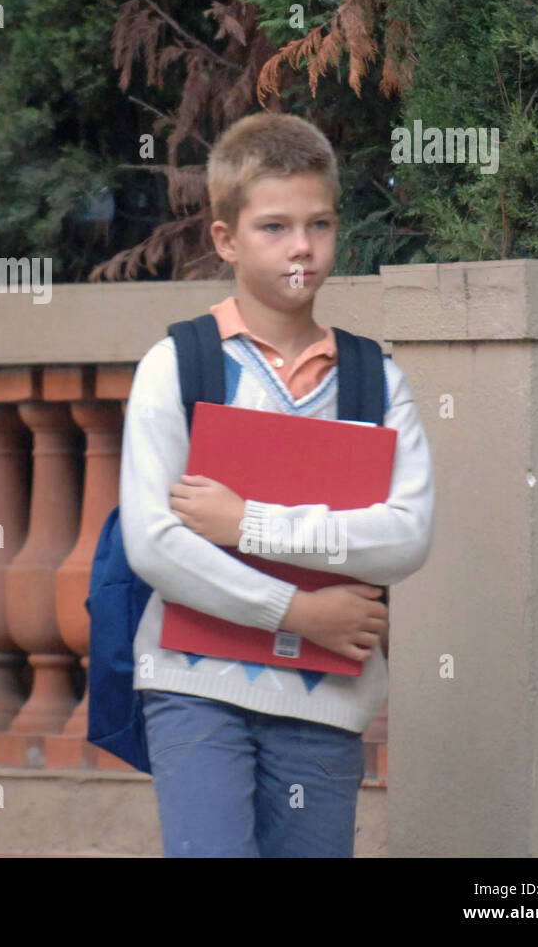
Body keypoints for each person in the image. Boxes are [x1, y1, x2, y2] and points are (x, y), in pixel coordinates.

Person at [119, 111, 434, 857]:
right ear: (225, 238)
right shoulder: (179, 367)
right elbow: (154, 544)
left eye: (319, 224)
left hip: (325, 701)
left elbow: (406, 536)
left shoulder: (374, 381)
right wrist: (299, 610)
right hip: (196, 689)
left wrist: (248, 523)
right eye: (275, 227)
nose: (301, 247)